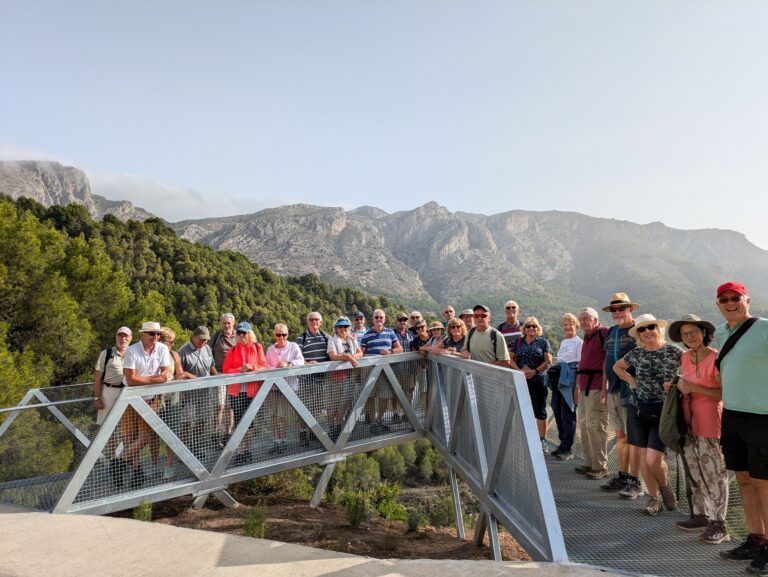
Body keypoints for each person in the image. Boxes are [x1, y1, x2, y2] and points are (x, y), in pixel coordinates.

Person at [712, 282, 768, 571]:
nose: (730, 303)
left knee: (764, 484)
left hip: (763, 417)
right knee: (744, 479)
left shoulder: (764, 328)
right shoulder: (722, 333)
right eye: (724, 299)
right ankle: (756, 540)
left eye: (735, 298)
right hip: (733, 415)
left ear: (747, 300)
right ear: (718, 304)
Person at [667, 314, 729, 544]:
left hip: (710, 422)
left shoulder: (716, 359)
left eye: (693, 332)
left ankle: (719, 523)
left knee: (714, 473)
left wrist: (693, 387)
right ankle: (700, 514)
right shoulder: (684, 358)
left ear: (704, 333)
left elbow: (724, 393)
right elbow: (686, 385)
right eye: (685, 334)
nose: (689, 336)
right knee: (694, 470)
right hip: (688, 423)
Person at [613, 314, 681, 516]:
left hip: (663, 411)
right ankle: (654, 498)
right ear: (639, 334)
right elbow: (617, 367)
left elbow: (694, 369)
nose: (647, 332)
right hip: (638, 409)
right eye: (642, 329)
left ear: (658, 328)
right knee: (643, 458)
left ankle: (665, 486)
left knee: (653, 459)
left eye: (650, 327)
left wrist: (677, 383)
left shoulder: (674, 352)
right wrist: (631, 381)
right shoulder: (636, 353)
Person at [599, 292, 642, 498]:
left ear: (630, 309)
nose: (617, 312)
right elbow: (606, 360)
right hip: (613, 390)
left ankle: (636, 481)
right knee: (621, 436)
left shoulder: (638, 330)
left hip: (630, 391)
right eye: (614, 309)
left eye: (621, 308)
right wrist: (604, 387)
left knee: (634, 438)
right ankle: (623, 476)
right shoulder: (612, 332)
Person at [121, 321, 171, 488]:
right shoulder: (132, 351)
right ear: (142, 334)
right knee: (130, 437)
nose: (155, 337)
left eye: (158, 334)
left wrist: (142, 381)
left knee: (145, 437)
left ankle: (119, 463)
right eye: (152, 334)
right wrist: (154, 380)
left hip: (151, 399)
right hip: (130, 398)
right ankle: (136, 472)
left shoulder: (163, 349)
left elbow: (165, 376)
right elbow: (130, 379)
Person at [222, 322, 267, 465]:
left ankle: (247, 449)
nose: (242, 336)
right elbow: (226, 370)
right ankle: (240, 451)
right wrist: (240, 370)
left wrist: (252, 367)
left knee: (250, 422)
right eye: (239, 333)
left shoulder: (257, 347)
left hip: (251, 391)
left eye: (244, 333)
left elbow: (264, 366)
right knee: (239, 422)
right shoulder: (232, 351)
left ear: (250, 334)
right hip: (236, 391)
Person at [93, 326, 132, 486]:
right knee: (109, 433)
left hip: (127, 396)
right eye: (120, 335)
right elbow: (97, 377)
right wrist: (97, 397)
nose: (122, 338)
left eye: (125, 336)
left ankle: (120, 464)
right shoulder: (107, 354)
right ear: (116, 337)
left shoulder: (133, 353)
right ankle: (113, 463)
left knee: (128, 433)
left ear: (130, 338)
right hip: (108, 393)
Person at [574, 308, 610, 480]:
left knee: (596, 426)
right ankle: (589, 463)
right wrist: (577, 387)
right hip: (584, 387)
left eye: (586, 318)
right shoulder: (587, 337)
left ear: (596, 320)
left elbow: (608, 360)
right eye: (581, 319)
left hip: (597, 386)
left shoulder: (604, 333)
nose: (582, 322)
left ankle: (600, 466)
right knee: (584, 425)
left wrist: (605, 387)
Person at [509, 316, 553, 453]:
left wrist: (535, 371)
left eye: (534, 326)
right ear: (524, 329)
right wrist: (519, 371)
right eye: (528, 326)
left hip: (538, 380)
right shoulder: (518, 342)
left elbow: (548, 361)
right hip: (521, 380)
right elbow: (509, 359)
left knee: (540, 410)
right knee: (523, 410)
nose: (531, 328)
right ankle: (526, 438)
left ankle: (542, 440)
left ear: (538, 328)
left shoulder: (543, 342)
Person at [177, 326, 217, 456]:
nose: (204, 342)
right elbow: (178, 374)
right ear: (193, 337)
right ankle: (183, 452)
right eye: (201, 340)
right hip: (188, 395)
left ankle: (196, 448)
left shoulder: (207, 349)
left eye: (206, 340)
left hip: (205, 393)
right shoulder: (183, 351)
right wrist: (181, 392)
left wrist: (219, 378)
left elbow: (211, 366)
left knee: (201, 421)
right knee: (186, 423)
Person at [266, 323, 305, 453]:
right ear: (274, 335)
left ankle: (283, 441)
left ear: (287, 334)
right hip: (272, 388)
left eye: (284, 334)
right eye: (278, 334)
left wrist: (288, 364)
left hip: (287, 387)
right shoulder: (270, 349)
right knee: (273, 416)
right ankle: (276, 441)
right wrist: (276, 368)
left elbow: (301, 361)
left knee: (281, 416)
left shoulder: (293, 346)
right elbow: (265, 366)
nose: (281, 337)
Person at [360, 309, 403, 428]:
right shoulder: (367, 334)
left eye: (381, 317)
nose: (379, 319)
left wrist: (390, 351)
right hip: (369, 369)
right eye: (376, 317)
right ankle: (373, 421)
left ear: (384, 319)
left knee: (385, 395)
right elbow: (361, 352)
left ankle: (379, 419)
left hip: (386, 369)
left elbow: (400, 349)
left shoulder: (390, 332)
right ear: (373, 319)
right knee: (369, 395)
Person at [551, 313, 582, 461]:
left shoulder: (579, 343)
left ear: (576, 326)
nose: (568, 327)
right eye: (565, 324)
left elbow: (580, 364)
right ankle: (562, 443)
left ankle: (568, 448)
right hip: (559, 375)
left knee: (568, 413)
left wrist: (577, 386)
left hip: (570, 376)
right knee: (556, 409)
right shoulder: (563, 342)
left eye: (570, 324)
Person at [326, 316, 363, 437]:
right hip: (335, 378)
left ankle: (338, 428)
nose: (343, 329)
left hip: (348, 377)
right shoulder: (332, 339)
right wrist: (347, 357)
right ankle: (332, 429)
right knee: (333, 405)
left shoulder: (352, 339)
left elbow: (360, 353)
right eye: (340, 327)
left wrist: (351, 357)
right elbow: (333, 356)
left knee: (343, 404)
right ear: (336, 328)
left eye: (345, 326)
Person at [157, 327, 185, 479]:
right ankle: (153, 465)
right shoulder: (152, 354)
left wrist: (184, 375)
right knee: (151, 433)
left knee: (172, 431)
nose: (173, 345)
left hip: (172, 396)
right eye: (170, 342)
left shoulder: (173, 355)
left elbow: (179, 374)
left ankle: (169, 464)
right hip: (155, 397)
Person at [210, 314, 237, 443]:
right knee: (219, 406)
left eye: (229, 323)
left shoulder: (238, 336)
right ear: (221, 324)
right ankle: (215, 433)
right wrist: (214, 374)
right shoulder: (216, 337)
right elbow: (208, 355)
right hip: (219, 374)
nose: (227, 325)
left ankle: (228, 433)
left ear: (233, 323)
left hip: (233, 375)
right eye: (224, 323)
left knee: (230, 407)